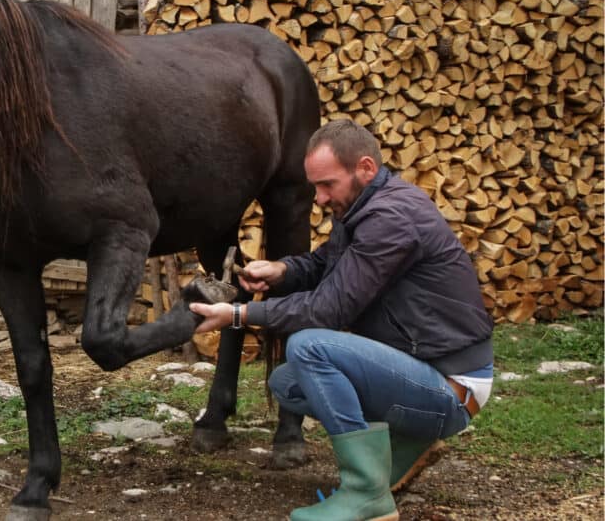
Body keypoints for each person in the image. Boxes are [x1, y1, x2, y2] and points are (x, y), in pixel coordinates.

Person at [190, 119, 494, 521]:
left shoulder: (392, 218)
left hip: (451, 387)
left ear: (365, 168)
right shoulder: (365, 207)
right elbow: (325, 264)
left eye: (326, 185)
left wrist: (239, 314)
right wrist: (281, 270)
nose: (317, 199)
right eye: (314, 186)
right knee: (288, 384)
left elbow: (326, 310)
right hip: (422, 370)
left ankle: (368, 494)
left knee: (308, 346)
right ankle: (408, 441)